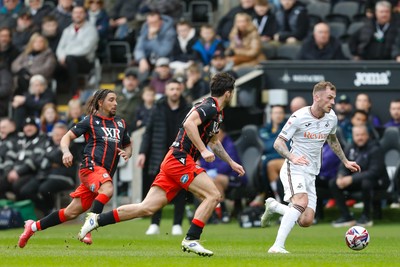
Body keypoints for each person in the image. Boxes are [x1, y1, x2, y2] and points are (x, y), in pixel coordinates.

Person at [78, 72, 245, 257]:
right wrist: (203, 150)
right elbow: (189, 124)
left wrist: (231, 162)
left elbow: (213, 141)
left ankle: (97, 221)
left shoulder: (216, 112)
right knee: (213, 195)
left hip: (173, 160)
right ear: (228, 93)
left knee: (146, 207)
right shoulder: (209, 106)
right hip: (180, 159)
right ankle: (191, 239)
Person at [17, 89, 133, 248]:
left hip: (103, 174)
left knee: (70, 212)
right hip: (91, 167)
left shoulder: (121, 123)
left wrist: (127, 153)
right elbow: (67, 137)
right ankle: (91, 225)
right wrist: (66, 152)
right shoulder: (90, 121)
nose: (116, 103)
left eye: (116, 100)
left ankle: (32, 227)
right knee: (107, 190)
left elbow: (128, 144)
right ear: (100, 103)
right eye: (111, 100)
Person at [260, 81, 361, 253]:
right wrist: (293, 157)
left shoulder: (332, 118)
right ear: (317, 97)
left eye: (334, 98)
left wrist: (345, 161)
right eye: (330, 98)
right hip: (294, 167)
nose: (333, 102)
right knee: (301, 202)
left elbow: (332, 139)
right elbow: (278, 143)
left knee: (305, 220)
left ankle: (275, 207)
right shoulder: (299, 117)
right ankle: (277, 246)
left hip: (311, 172)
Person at [137, 79, 191, 236]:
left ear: (181, 90)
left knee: (181, 189)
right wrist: (142, 152)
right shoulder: (158, 107)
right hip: (159, 154)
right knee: (157, 189)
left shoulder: (188, 109)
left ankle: (177, 224)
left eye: (177, 89)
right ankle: (155, 223)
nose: (174, 91)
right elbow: (148, 132)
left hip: (181, 154)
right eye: (171, 89)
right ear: (166, 91)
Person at [330, 125, 389, 227]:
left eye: (362, 135)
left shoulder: (375, 148)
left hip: (378, 182)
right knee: (333, 183)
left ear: (368, 135)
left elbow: (374, 172)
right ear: (353, 136)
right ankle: (346, 216)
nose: (360, 137)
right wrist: (341, 176)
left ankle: (366, 216)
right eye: (357, 135)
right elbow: (343, 165)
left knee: (366, 183)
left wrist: (352, 179)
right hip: (357, 181)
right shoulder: (350, 147)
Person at [56, 5, 99, 97]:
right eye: (75, 13)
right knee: (54, 63)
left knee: (71, 60)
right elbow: (60, 48)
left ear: (85, 14)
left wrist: (66, 55)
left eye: (80, 13)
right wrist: (61, 57)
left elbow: (85, 49)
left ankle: (74, 92)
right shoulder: (67, 30)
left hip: (85, 61)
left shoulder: (91, 30)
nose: (78, 15)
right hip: (67, 60)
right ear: (72, 15)